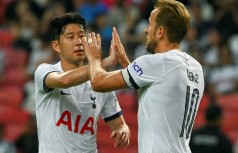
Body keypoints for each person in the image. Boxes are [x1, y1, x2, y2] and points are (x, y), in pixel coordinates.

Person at [82, 0, 205, 152]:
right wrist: (127, 64)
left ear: (160, 31)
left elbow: (98, 82)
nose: (146, 30)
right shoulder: (195, 67)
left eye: (150, 24)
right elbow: (155, 91)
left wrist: (94, 58)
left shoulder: (157, 62)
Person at [34, 12, 130, 153]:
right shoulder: (44, 71)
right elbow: (65, 80)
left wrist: (123, 132)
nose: (79, 42)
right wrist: (104, 63)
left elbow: (120, 125)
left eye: (81, 36)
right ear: (56, 46)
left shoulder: (101, 82)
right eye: (70, 37)